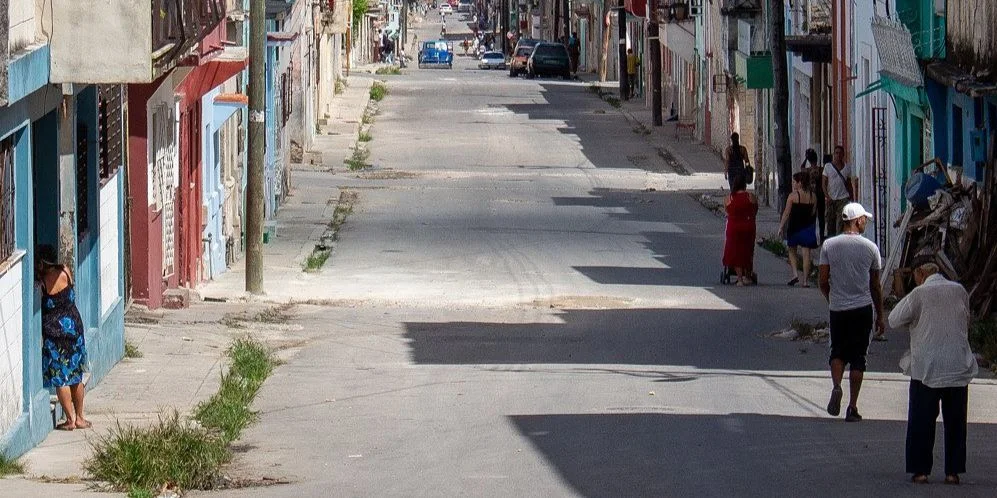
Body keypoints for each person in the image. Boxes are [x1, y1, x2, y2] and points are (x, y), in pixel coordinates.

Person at [888, 262, 977, 485]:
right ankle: (952, 472)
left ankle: (920, 471)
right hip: (957, 366)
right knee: (956, 422)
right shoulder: (959, 290)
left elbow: (894, 319)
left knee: (921, 421)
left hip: (926, 368)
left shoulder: (919, 293)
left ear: (921, 274)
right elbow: (967, 320)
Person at [818, 203, 885, 422]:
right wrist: (880, 314)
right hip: (862, 309)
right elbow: (875, 285)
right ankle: (852, 406)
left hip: (838, 308)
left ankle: (837, 386)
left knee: (837, 351)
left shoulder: (829, 245)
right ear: (857, 221)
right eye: (864, 219)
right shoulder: (870, 248)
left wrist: (832, 298)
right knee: (858, 357)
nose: (866, 221)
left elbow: (822, 280)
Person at [35, 245, 91, 431]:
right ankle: (81, 417)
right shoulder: (65, 271)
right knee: (76, 375)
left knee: (61, 377)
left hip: (54, 335)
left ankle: (70, 419)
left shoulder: (42, 282)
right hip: (74, 328)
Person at [778, 171, 818, 286]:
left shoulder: (793, 196)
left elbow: (786, 213)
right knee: (806, 254)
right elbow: (813, 212)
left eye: (794, 182)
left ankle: (795, 274)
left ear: (800, 183)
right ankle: (805, 281)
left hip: (795, 227)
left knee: (792, 250)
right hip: (808, 228)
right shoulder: (813, 196)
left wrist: (781, 226)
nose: (793, 184)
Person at [723, 174, 758, 286]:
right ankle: (747, 275)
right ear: (744, 184)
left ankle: (739, 279)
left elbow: (727, 212)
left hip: (734, 227)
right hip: (748, 226)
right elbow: (755, 210)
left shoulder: (729, 198)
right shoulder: (751, 197)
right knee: (748, 250)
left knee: (736, 251)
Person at [822, 145, 857, 237]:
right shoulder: (828, 167)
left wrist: (852, 198)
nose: (838, 155)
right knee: (830, 222)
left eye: (840, 153)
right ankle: (830, 240)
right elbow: (824, 183)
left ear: (843, 155)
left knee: (840, 222)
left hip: (843, 198)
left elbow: (849, 184)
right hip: (831, 199)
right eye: (836, 153)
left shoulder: (847, 168)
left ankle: (839, 239)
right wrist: (827, 196)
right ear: (834, 154)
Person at [801, 148, 826, 242]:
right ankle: (822, 237)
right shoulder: (821, 169)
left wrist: (805, 159)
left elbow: (801, 167)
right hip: (820, 195)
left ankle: (813, 238)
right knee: (821, 218)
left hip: (812, 196)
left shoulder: (808, 170)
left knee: (812, 218)